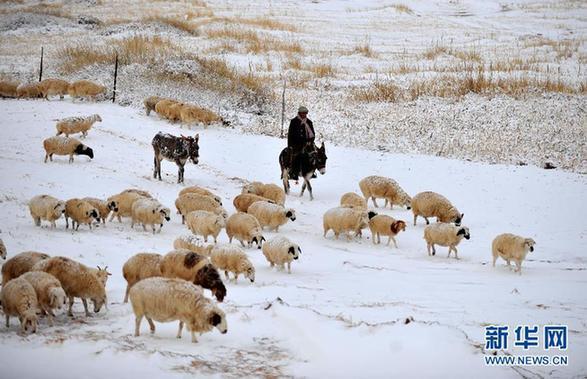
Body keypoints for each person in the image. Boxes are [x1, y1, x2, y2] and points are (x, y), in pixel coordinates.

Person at [287, 106, 315, 181]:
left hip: (307, 144)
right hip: (296, 144)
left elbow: (313, 134)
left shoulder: (309, 122)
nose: (304, 114)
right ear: (299, 113)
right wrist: (290, 145)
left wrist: (310, 141)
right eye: (303, 113)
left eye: (305, 113)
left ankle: (312, 172)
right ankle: (294, 173)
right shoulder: (294, 121)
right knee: (297, 157)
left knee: (314, 155)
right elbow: (290, 134)